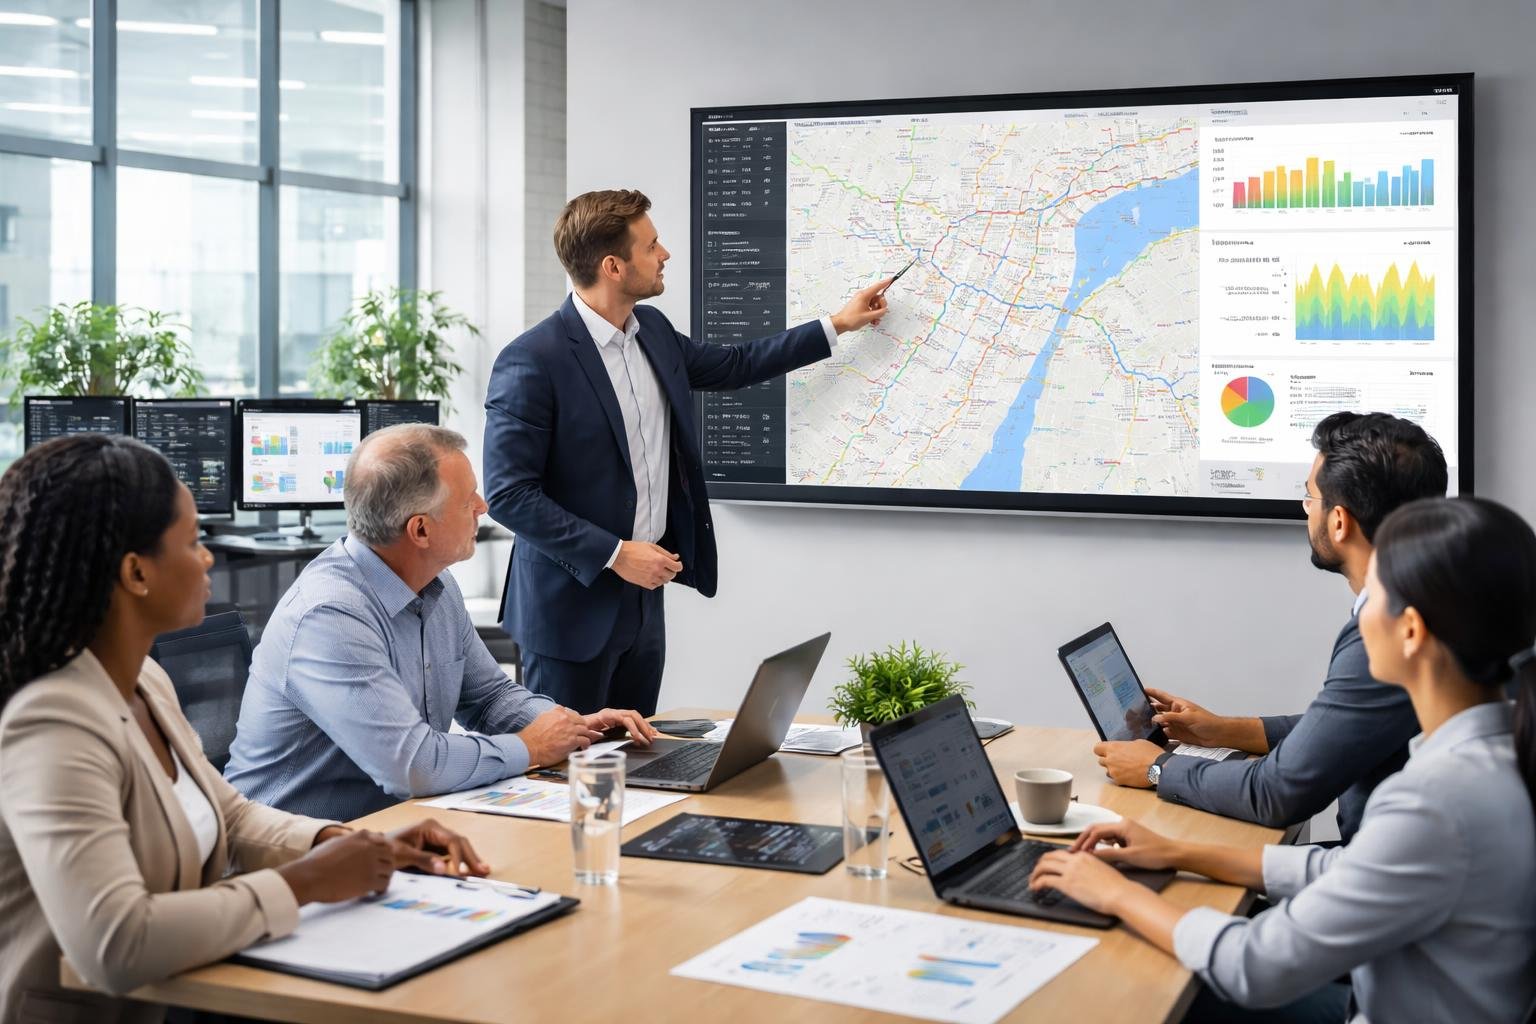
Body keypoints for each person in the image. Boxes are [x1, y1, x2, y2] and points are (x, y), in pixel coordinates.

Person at [0, 435, 487, 1024]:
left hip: (188, 985)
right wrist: (304, 884)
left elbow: (228, 815)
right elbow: (116, 943)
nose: (207, 559)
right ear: (135, 573)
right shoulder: (52, 723)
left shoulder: (144, 682)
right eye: (191, 542)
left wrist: (344, 845)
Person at [1028, 496, 1536, 1023]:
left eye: (1374, 594)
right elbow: (1342, 869)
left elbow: (1256, 965)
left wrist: (1114, 895)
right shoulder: (1500, 754)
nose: (1360, 613)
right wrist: (1177, 851)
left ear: (1410, 630)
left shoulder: (1435, 803)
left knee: (1144, 994)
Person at [484, 189, 892, 715]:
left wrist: (837, 324)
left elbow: (737, 364)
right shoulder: (532, 361)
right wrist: (615, 553)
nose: (665, 254)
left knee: (638, 768)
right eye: (652, 245)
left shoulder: (652, 331)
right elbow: (508, 494)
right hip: (569, 612)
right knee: (570, 777)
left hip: (644, 601)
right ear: (613, 266)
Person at [224, 425, 657, 821]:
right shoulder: (331, 616)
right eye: (469, 499)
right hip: (292, 859)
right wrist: (530, 748)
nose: (483, 507)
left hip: (390, 834)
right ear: (421, 531)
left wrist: (571, 728)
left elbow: (489, 698)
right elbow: (412, 766)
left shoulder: (436, 585)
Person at [1093, 411, 1446, 842]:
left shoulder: (1389, 627)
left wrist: (1157, 768)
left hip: (1382, 872)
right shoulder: (1437, 598)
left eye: (1309, 497)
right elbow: (1344, 725)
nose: (1304, 509)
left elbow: (1277, 793)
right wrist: (1220, 730)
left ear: (1339, 522)